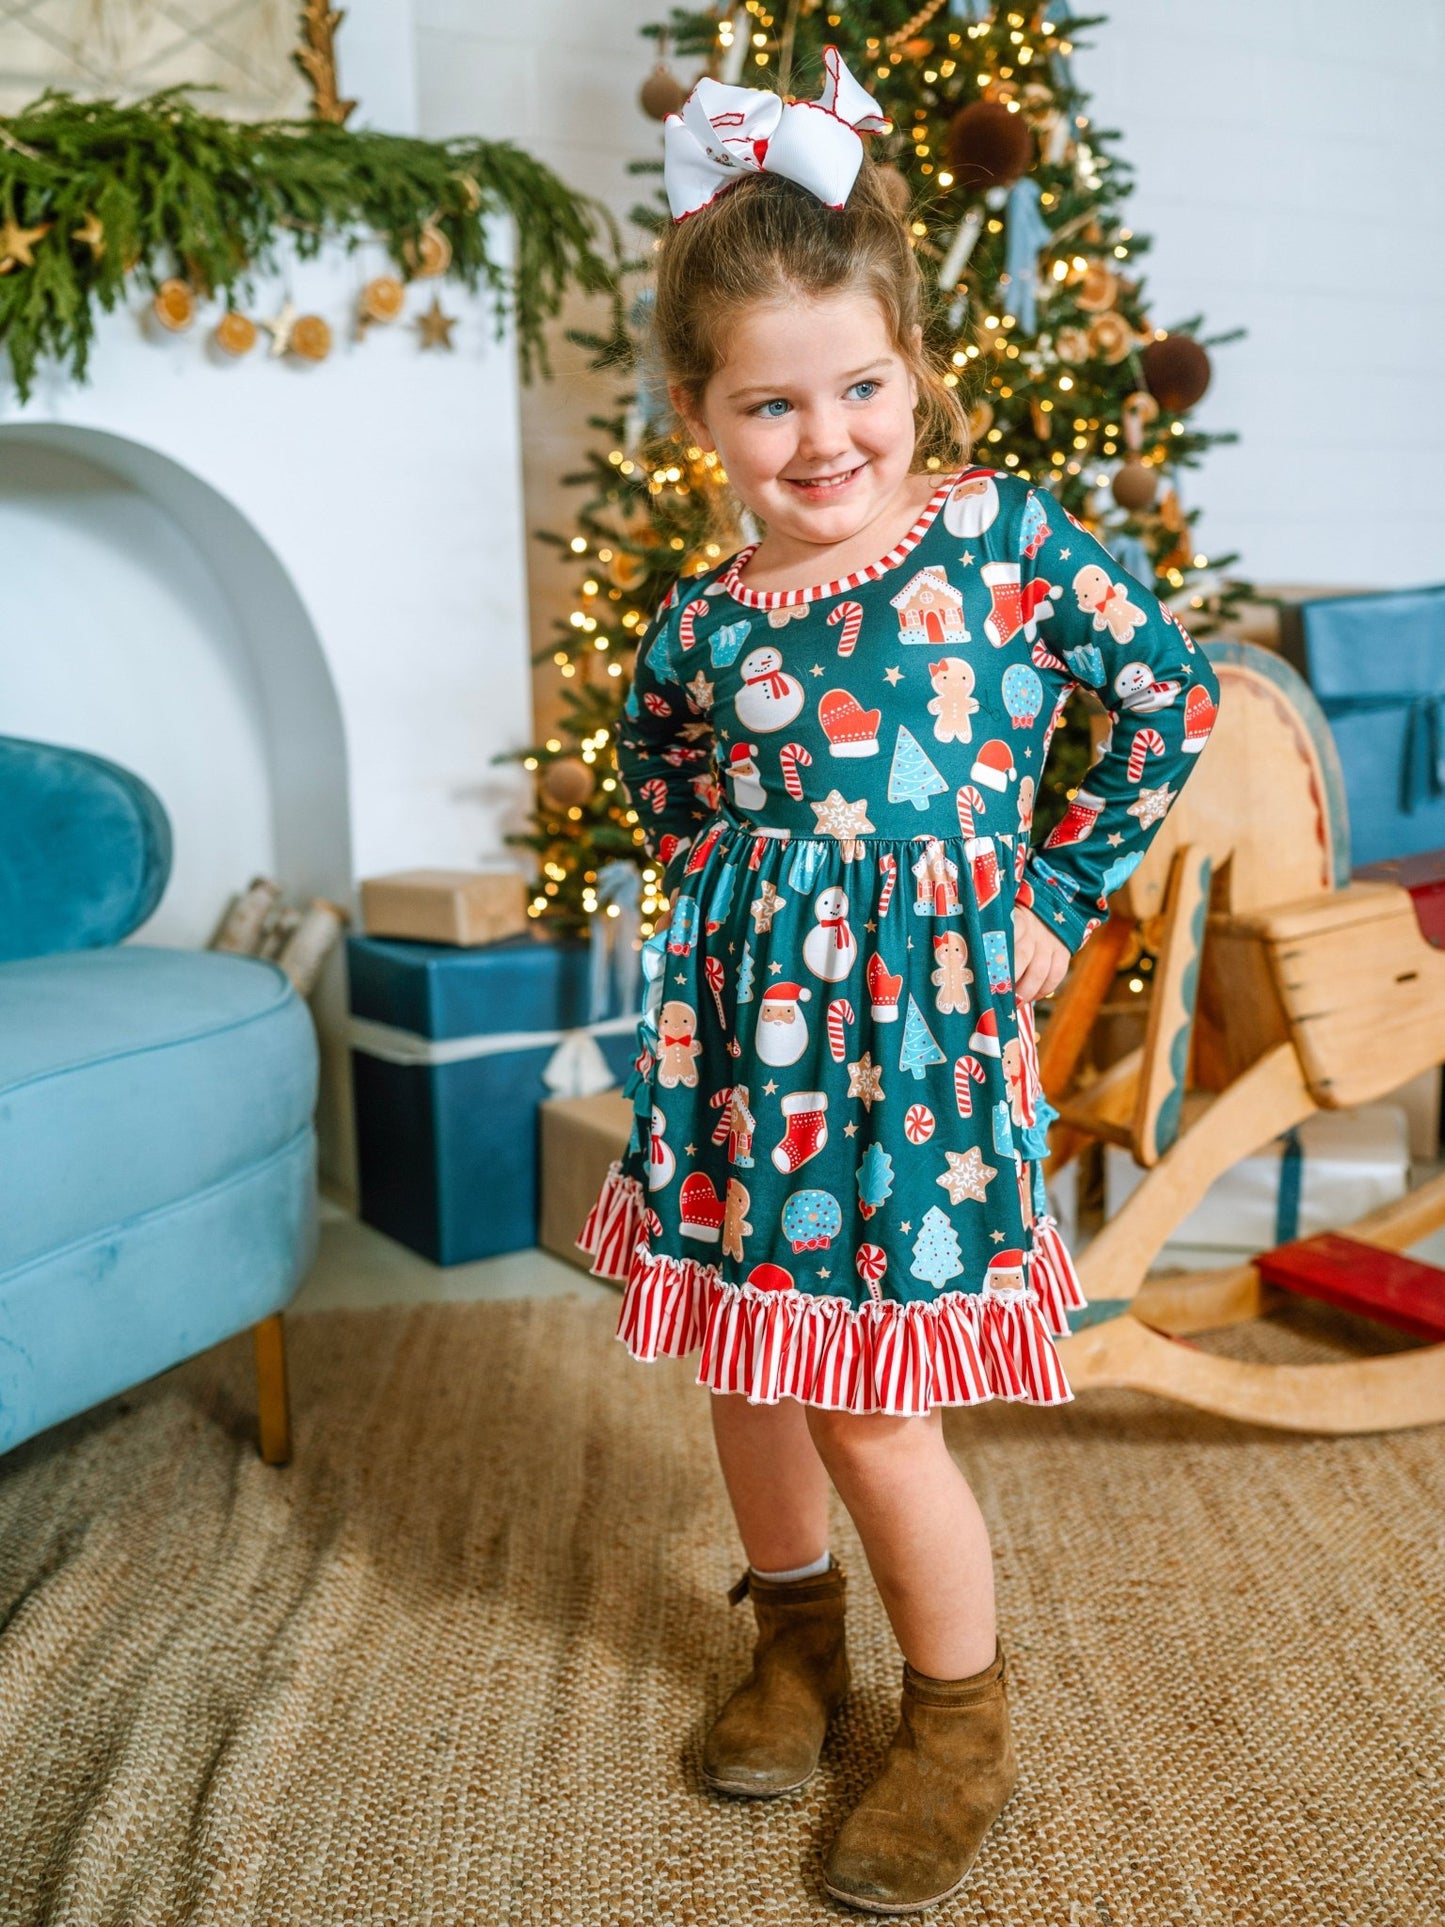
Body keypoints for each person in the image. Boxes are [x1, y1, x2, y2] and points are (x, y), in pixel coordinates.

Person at [579, 46, 1221, 1916]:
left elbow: (1165, 693)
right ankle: (793, 1646)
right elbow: (671, 778)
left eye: (858, 385)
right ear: (697, 413)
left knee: (871, 1399)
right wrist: (728, 910)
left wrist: (1057, 886)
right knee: (741, 1363)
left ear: (913, 369)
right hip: (738, 1065)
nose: (824, 436)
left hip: (919, 1067)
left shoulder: (1002, 542)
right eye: (768, 406)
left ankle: (959, 1718)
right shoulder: (703, 621)